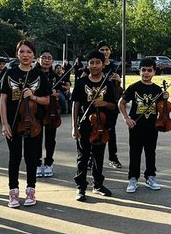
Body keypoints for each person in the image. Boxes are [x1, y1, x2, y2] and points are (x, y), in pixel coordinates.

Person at [0, 39, 50, 208]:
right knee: (14, 157)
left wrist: (33, 96)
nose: (25, 55)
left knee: (31, 157)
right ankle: (13, 192)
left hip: (33, 123)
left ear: (34, 55)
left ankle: (31, 190)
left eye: (28, 52)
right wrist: (5, 123)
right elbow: (3, 101)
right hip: (14, 122)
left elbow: (47, 100)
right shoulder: (9, 73)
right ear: (17, 54)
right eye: (22, 52)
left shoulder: (39, 75)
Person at [71, 50, 121, 201]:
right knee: (83, 157)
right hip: (85, 125)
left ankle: (98, 184)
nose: (94, 65)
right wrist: (74, 126)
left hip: (101, 126)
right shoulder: (81, 82)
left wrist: (104, 103)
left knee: (99, 156)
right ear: (88, 65)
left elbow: (114, 106)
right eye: (91, 62)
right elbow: (75, 104)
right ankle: (81, 187)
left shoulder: (107, 83)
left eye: (97, 62)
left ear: (102, 64)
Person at [120, 57, 165, 192]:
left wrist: (166, 98)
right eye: (143, 70)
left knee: (151, 152)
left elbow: (164, 108)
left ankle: (150, 177)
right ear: (139, 71)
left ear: (154, 72)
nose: (146, 73)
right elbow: (121, 103)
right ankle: (133, 179)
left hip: (152, 126)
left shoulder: (158, 90)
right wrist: (126, 118)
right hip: (136, 126)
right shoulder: (134, 88)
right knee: (135, 152)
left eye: (149, 70)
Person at [97, 41, 124, 169]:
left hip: (111, 103)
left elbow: (120, 89)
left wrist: (119, 81)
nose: (104, 52)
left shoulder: (114, 67)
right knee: (95, 130)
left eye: (106, 49)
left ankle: (113, 158)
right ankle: (93, 158)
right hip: (97, 102)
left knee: (111, 131)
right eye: (101, 50)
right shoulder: (95, 65)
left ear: (110, 51)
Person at [37, 51, 64, 177]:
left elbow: (62, 92)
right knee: (36, 138)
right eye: (44, 58)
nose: (46, 60)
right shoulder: (33, 74)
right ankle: (37, 163)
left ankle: (48, 163)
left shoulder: (55, 76)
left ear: (52, 61)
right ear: (39, 59)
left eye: (49, 58)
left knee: (50, 139)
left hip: (51, 110)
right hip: (36, 110)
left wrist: (57, 94)